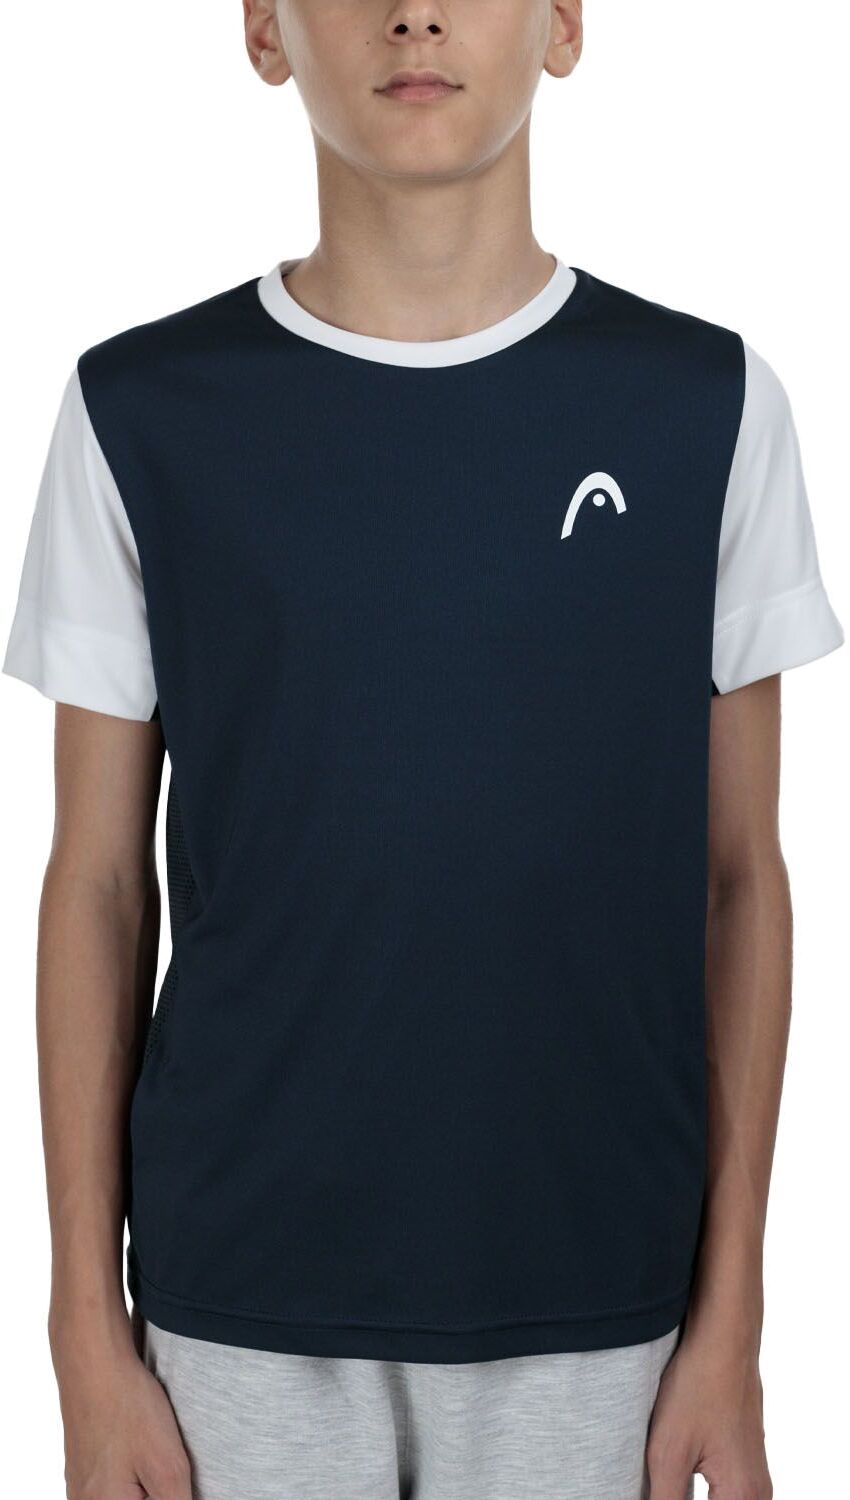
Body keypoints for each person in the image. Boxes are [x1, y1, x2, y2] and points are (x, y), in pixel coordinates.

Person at [2, 2, 844, 1497]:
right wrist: (80, 1332)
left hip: (601, 1303)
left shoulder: (705, 406)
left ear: (564, 24)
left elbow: (739, 881)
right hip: (236, 1308)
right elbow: (98, 886)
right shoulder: (140, 414)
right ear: (263, 30)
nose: (415, 13)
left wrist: (734, 1320)